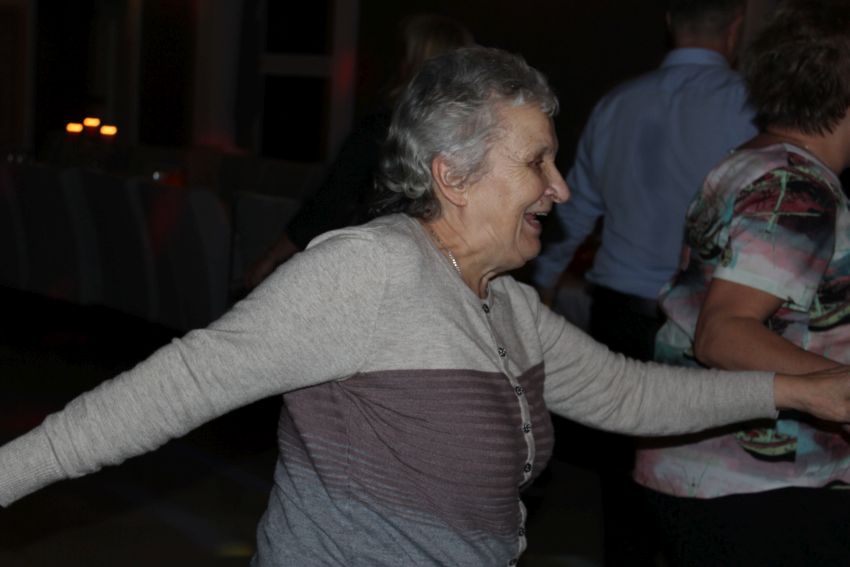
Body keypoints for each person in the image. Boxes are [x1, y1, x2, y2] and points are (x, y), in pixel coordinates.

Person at [2, 46, 850, 567]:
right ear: (454, 176)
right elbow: (170, 388)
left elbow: (631, 393)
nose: (559, 189)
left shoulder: (503, 303)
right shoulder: (371, 272)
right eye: (538, 162)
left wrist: (799, 389)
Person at [532, 1, 756, 563]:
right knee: (702, 484)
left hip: (621, 318)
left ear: (669, 22)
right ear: (736, 27)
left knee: (624, 490)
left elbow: (573, 211)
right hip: (706, 323)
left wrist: (542, 287)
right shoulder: (748, 107)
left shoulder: (617, 102)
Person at [634, 1, 850, 564]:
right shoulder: (794, 186)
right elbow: (724, 332)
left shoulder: (754, 162)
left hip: (709, 469)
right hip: (758, 485)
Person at [243, 13, 474, 289]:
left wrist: (271, 258)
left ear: (416, 66)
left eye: (405, 56)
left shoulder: (384, 132)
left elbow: (331, 202)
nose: (399, 64)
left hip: (382, 274)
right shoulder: (474, 140)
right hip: (445, 278)